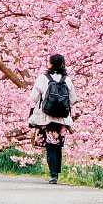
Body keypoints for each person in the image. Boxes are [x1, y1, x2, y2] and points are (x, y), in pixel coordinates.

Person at [27, 54, 75, 184]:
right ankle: (56, 174)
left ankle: (53, 175)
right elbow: (73, 100)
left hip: (46, 118)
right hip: (62, 119)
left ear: (51, 64)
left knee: (50, 146)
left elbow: (33, 97)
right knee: (58, 145)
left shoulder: (43, 78)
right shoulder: (67, 79)